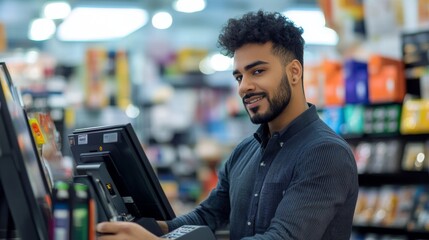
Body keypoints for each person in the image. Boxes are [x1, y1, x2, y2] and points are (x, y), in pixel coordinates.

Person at [96, 10, 359, 240]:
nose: (244, 86)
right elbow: (207, 217)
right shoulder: (245, 151)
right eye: (239, 76)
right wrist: (146, 229)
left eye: (257, 71)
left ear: (294, 72)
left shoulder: (325, 153)